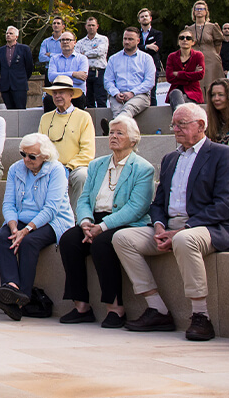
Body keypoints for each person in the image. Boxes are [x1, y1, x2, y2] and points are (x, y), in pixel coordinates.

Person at [114, 104, 229, 341]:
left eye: (182, 124)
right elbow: (158, 203)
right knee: (122, 238)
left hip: (208, 227)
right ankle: (156, 308)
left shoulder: (224, 155)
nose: (175, 129)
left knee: (186, 240)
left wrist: (182, 230)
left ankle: (201, 316)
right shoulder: (170, 159)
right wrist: (159, 226)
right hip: (169, 228)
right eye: (174, 125)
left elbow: (225, 205)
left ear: (201, 125)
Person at [57, 116, 155, 328]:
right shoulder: (97, 165)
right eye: (111, 132)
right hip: (94, 220)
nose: (113, 136)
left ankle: (115, 308)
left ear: (133, 140)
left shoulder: (143, 168)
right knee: (69, 240)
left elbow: (137, 207)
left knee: (103, 243)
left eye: (120, 133)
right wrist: (84, 221)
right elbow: (84, 198)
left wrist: (103, 226)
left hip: (126, 223)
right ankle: (81, 306)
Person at [0, 133, 76, 321]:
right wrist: (13, 227)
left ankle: (22, 299)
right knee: (4, 237)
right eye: (23, 154)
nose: (26, 159)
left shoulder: (57, 170)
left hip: (54, 221)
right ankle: (11, 287)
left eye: (32, 156)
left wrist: (26, 230)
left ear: (45, 155)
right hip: (21, 219)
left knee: (29, 242)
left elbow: (51, 209)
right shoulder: (15, 169)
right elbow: (8, 204)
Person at [39, 76, 95, 203]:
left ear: (71, 95)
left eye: (61, 92)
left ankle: (78, 218)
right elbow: (40, 147)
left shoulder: (84, 117)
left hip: (75, 167)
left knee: (83, 176)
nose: (57, 96)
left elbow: (88, 152)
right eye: (55, 93)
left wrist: (68, 167)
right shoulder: (45, 118)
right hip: (51, 165)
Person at [105, 27, 157, 121]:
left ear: (138, 41)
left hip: (140, 95)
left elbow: (149, 82)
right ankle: (117, 128)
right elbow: (108, 81)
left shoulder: (146, 59)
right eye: (125, 39)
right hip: (118, 96)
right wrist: (116, 93)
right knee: (117, 110)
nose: (127, 42)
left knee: (127, 109)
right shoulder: (113, 59)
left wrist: (133, 93)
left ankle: (113, 127)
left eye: (130, 39)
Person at [42, 31, 88, 113]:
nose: (65, 42)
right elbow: (51, 77)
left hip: (75, 93)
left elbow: (81, 80)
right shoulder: (54, 59)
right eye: (62, 40)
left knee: (79, 100)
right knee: (48, 99)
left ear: (74, 42)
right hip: (58, 93)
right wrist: (73, 74)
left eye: (68, 40)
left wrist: (59, 77)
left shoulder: (82, 59)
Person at [186, 0, 225, 95]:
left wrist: (215, 54)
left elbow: (218, 42)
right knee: (198, 83)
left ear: (206, 11)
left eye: (201, 8)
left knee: (212, 83)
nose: (199, 11)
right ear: (194, 12)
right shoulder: (189, 28)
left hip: (211, 58)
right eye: (197, 9)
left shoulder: (212, 27)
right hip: (195, 58)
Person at [0, 25, 36, 109]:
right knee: (10, 110)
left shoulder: (24, 49)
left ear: (16, 36)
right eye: (7, 33)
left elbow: (29, 66)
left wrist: (23, 78)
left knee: (20, 110)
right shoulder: (0, 51)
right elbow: (0, 67)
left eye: (11, 33)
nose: (8, 35)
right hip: (6, 85)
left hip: (19, 85)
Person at [165, 29, 206, 106]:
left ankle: (179, 117)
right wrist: (192, 75)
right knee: (176, 93)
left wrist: (178, 74)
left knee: (182, 100)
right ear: (178, 42)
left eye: (188, 38)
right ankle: (180, 116)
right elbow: (169, 78)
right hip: (175, 90)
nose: (185, 40)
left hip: (193, 92)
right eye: (181, 38)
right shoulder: (172, 56)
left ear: (193, 42)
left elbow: (200, 75)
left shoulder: (198, 55)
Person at [78, 18, 110, 109]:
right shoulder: (81, 42)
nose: (91, 27)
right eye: (89, 25)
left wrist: (85, 54)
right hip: (86, 72)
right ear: (85, 27)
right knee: (88, 99)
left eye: (93, 25)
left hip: (99, 72)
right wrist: (91, 52)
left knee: (101, 98)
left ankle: (102, 121)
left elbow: (100, 52)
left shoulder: (103, 39)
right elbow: (77, 56)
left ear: (97, 26)